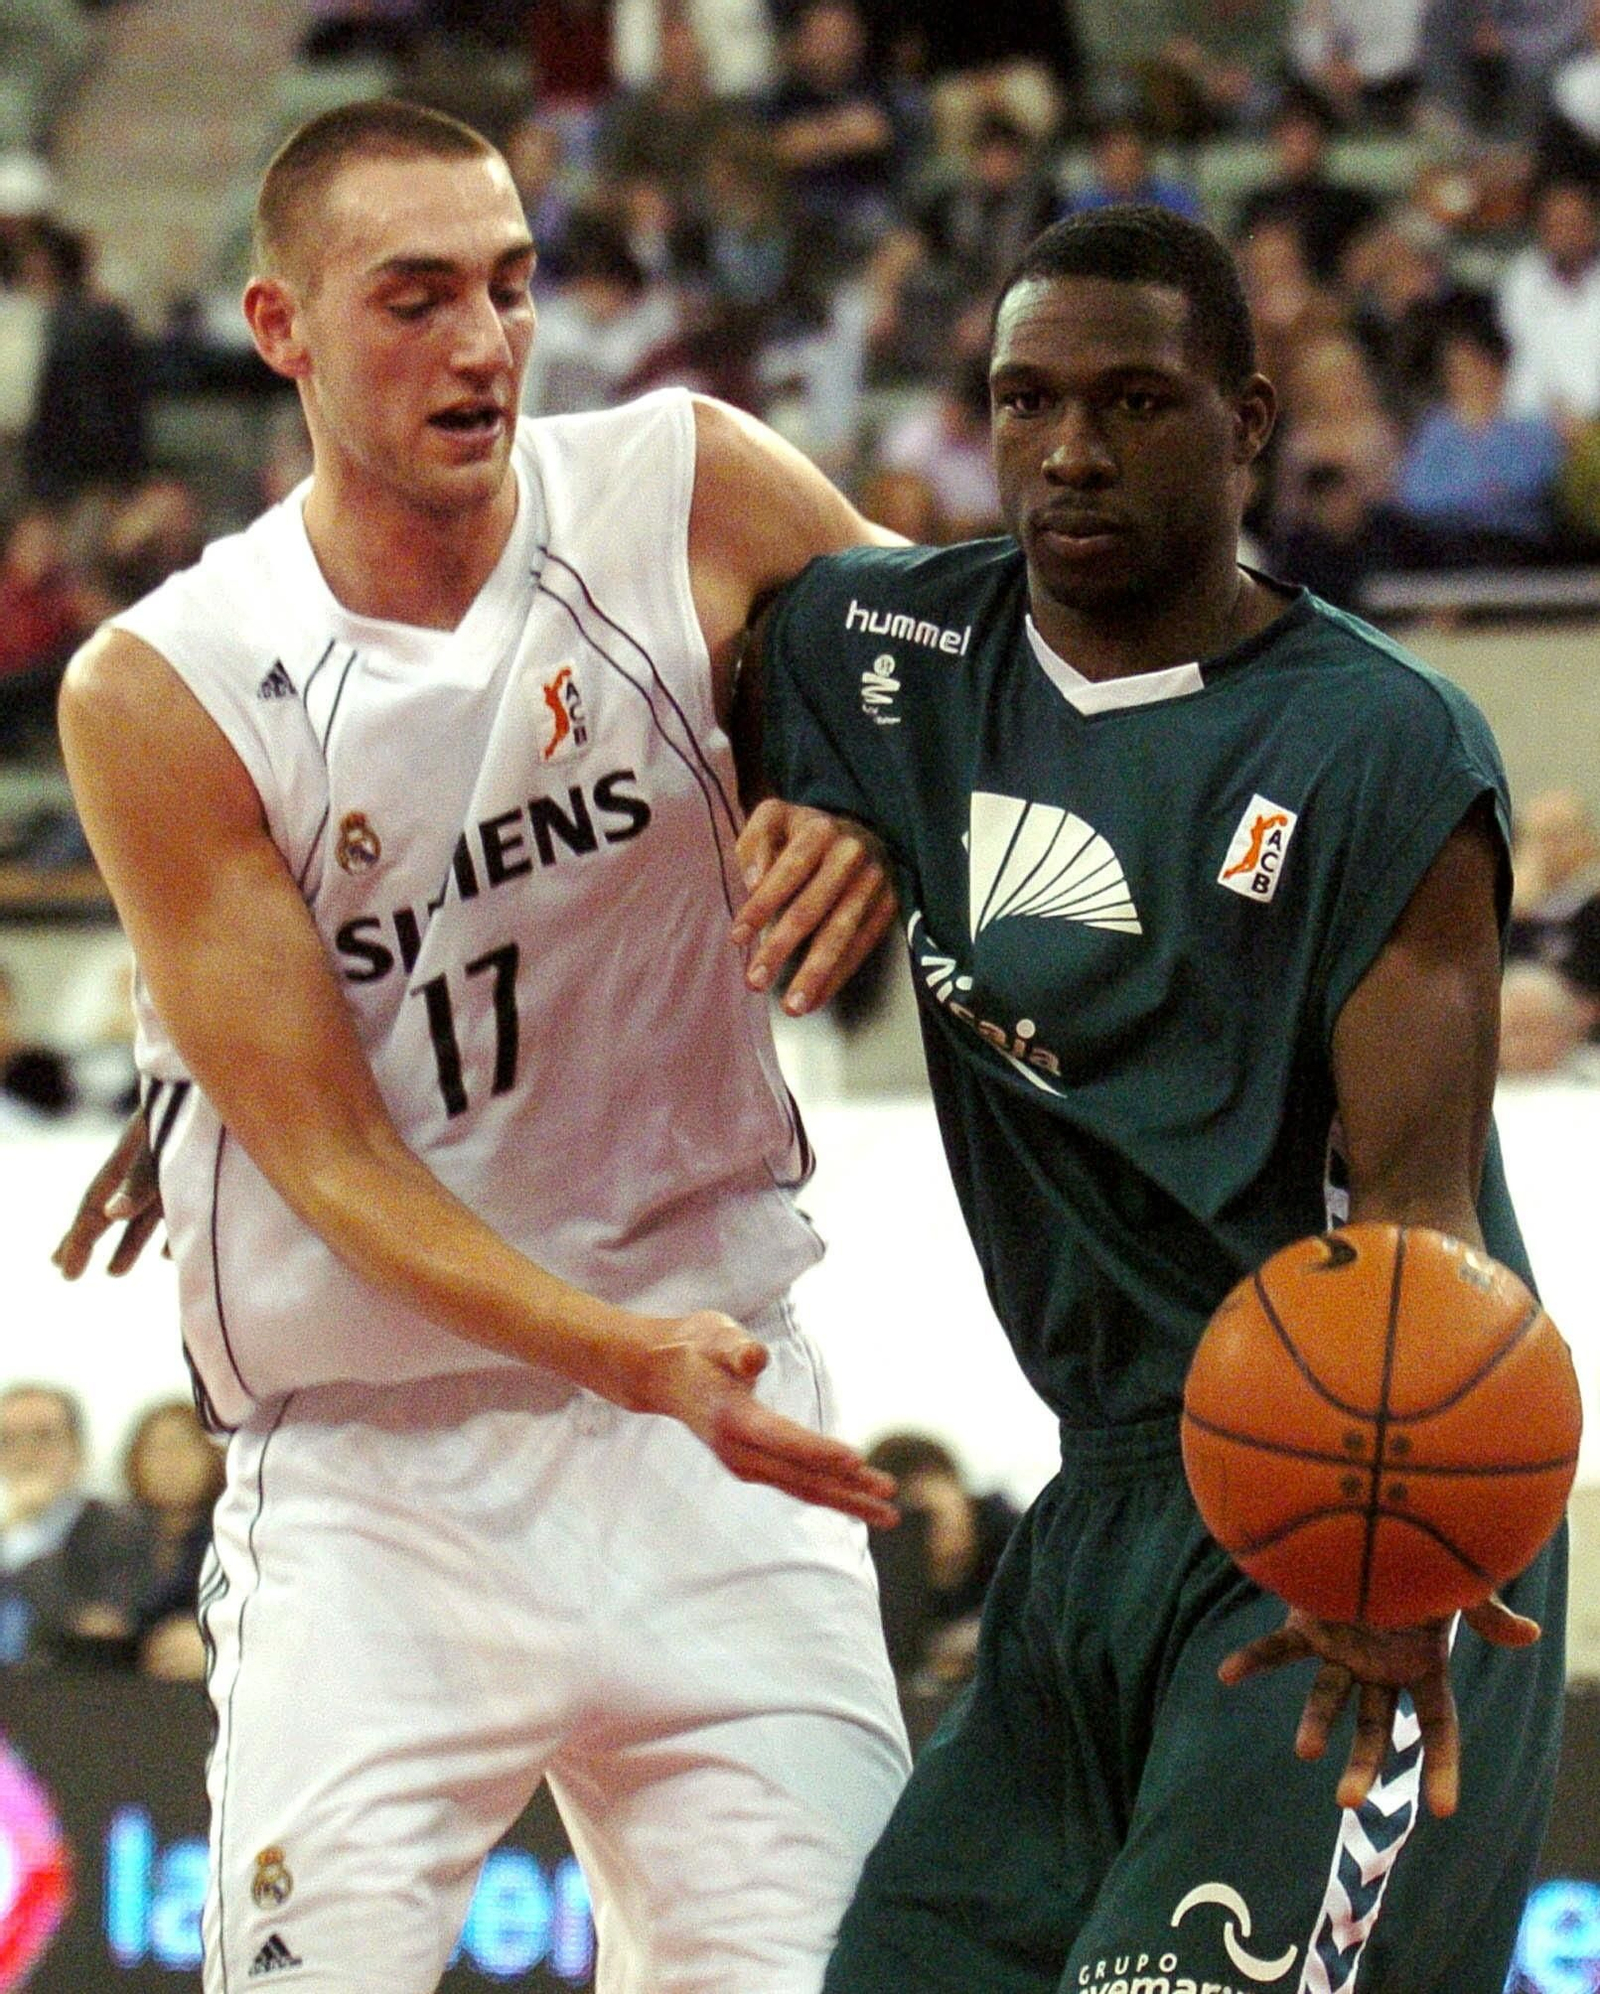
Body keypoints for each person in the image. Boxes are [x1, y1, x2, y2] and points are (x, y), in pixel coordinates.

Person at [51, 98, 913, 1994]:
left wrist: (868, 794)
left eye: (511, 288)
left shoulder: (684, 485)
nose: (484, 343)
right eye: (417, 296)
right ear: (279, 326)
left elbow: (962, 680)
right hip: (381, 1479)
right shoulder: (169, 681)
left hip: (719, 1426)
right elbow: (331, 1159)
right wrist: (617, 1351)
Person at [740, 204, 1567, 1994]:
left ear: (1248, 421)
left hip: (1345, 1486)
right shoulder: (876, 648)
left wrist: (1391, 1556)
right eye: (1024, 401)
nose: (1069, 450)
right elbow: (670, 487)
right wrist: (838, 797)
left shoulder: (1384, 746)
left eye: (1132, 401)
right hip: (1098, 1499)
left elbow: (1420, 1224)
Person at [0, 1381, 146, 1668]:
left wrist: (28, 1541)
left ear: (78, 1451)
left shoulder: (120, 1530)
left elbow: (98, 1633)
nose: (26, 1454)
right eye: (8, 1440)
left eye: (43, 1437)